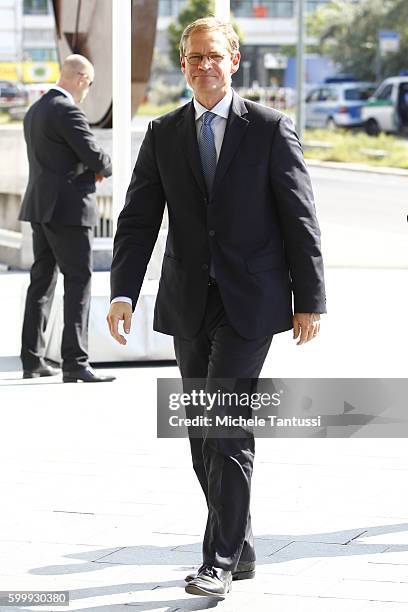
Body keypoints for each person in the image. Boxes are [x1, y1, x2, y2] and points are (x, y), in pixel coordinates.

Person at [107, 17, 326, 598]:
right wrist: (123, 290)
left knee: (224, 423)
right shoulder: (163, 133)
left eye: (213, 55)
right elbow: (137, 220)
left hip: (251, 302)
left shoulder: (271, 129)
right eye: (193, 57)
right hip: (188, 301)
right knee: (203, 431)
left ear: (234, 60)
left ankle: (219, 560)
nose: (204, 65)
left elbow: (299, 219)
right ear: (183, 65)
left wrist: (310, 298)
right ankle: (242, 542)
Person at [19, 54, 115, 383]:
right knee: (79, 282)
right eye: (88, 84)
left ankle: (32, 360)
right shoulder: (67, 109)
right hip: (69, 211)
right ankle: (75, 362)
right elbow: (93, 154)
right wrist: (104, 166)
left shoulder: (36, 110)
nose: (87, 90)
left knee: (41, 282)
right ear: (80, 78)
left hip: (40, 207)